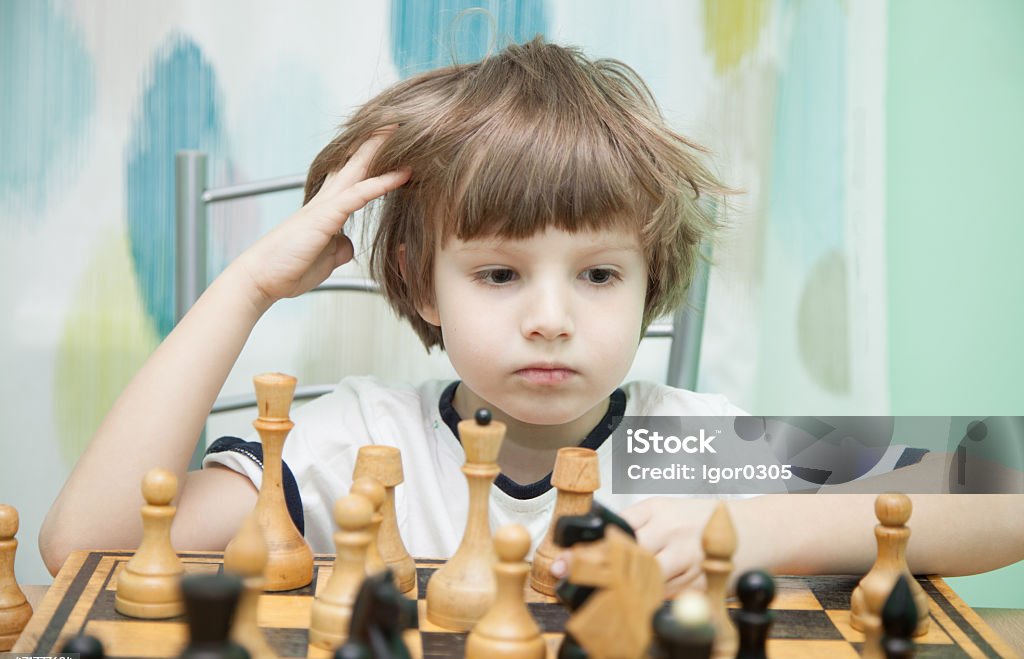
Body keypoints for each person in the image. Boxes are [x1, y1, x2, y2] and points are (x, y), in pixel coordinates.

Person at [40, 38, 1023, 594]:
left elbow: (1005, 491)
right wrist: (246, 284)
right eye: (501, 274)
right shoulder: (355, 442)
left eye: (597, 276)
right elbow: (86, 544)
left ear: (652, 285)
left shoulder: (686, 444)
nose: (550, 318)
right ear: (425, 286)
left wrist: (752, 523)